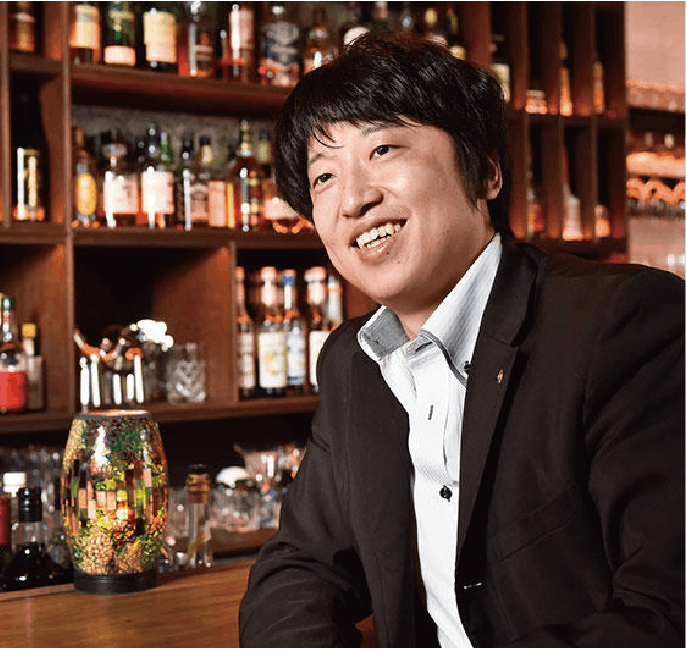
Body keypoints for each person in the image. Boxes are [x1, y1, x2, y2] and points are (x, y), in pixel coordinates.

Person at [239, 32, 686, 647]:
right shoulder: (352, 364)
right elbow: (298, 569)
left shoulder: (622, 322)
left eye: (383, 149)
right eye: (323, 177)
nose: (354, 199)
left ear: (487, 172)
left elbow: (667, 614)